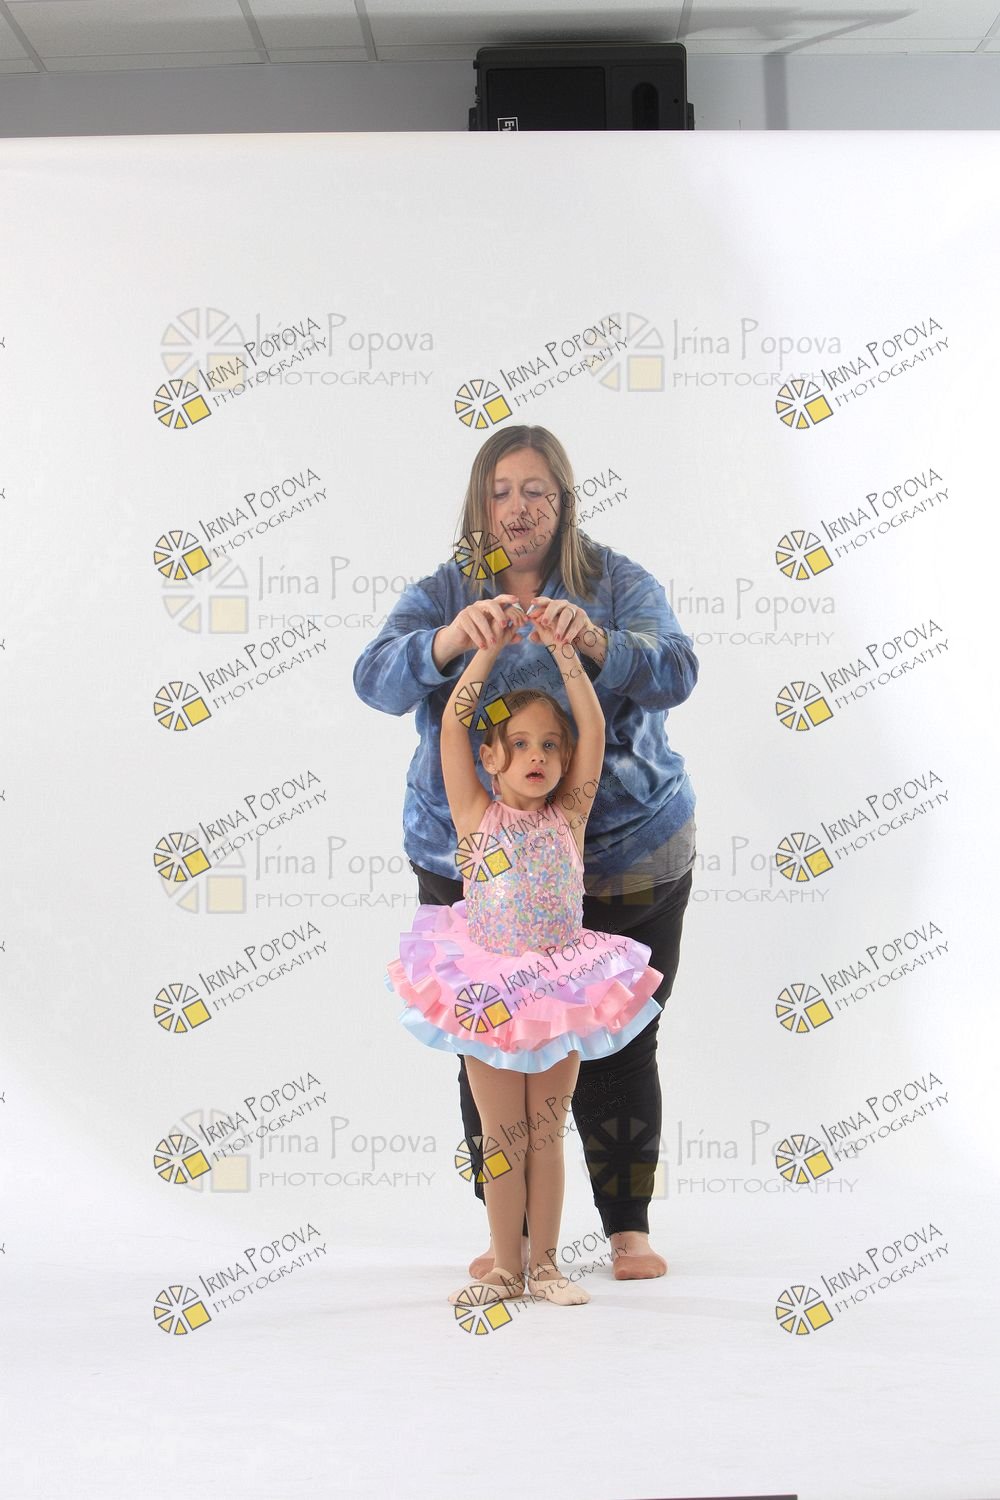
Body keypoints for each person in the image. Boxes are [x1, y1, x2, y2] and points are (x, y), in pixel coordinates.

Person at [354, 425, 697, 1282]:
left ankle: (626, 1228)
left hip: (627, 848)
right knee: (490, 1053)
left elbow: (677, 671)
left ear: (564, 501)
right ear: (480, 503)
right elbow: (373, 679)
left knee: (624, 1049)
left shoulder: (618, 582)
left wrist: (600, 644)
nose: (518, 506)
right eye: (501, 490)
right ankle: (509, 1243)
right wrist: (446, 643)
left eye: (536, 490)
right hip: (470, 859)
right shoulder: (444, 591)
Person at [384, 602, 663, 1305]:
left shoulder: (569, 816)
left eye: (549, 746)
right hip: (486, 990)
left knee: (546, 1134)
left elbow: (592, 727)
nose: (537, 756)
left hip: (560, 987)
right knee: (502, 1134)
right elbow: (454, 723)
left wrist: (567, 652)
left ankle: (547, 1268)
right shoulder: (475, 817)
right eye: (520, 743)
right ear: (491, 758)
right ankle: (505, 1267)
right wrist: (487, 649)